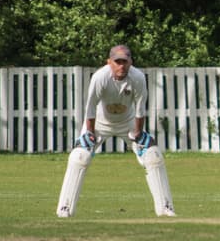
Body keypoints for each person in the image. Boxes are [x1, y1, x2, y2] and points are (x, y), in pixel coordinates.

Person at [56, 44, 176, 218]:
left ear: (130, 62)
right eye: (117, 62)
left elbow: (141, 109)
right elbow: (90, 108)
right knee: (79, 157)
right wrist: (89, 133)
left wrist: (138, 133)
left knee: (153, 155)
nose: (121, 66)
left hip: (127, 122)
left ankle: (165, 208)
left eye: (125, 62)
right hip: (100, 122)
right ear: (109, 62)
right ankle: (65, 209)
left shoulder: (138, 77)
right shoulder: (100, 77)